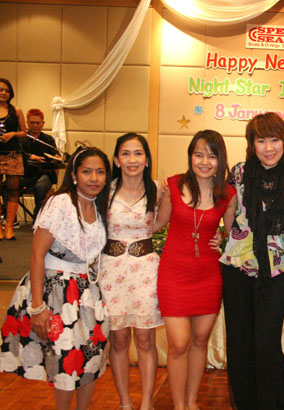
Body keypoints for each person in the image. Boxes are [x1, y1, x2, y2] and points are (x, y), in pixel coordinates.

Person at [0, 146, 111, 410]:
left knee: (90, 358)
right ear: (74, 175)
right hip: (56, 293)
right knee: (65, 362)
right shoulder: (60, 203)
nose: (94, 178)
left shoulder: (99, 206)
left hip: (87, 293)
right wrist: (37, 307)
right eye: (87, 171)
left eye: (100, 172)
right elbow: (37, 254)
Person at [220, 112, 284, 410]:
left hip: (276, 271)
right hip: (237, 269)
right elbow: (229, 212)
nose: (268, 148)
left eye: (274, 139)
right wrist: (229, 240)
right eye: (261, 141)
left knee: (267, 344)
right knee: (240, 343)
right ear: (251, 144)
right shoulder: (239, 173)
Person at [155, 130, 236, 410]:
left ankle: (191, 401)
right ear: (190, 156)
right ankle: (179, 405)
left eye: (211, 156)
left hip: (208, 275)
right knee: (179, 343)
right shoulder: (173, 186)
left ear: (220, 160)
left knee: (200, 340)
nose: (204, 162)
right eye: (198, 155)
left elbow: (232, 234)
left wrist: (221, 238)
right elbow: (157, 224)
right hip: (174, 273)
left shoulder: (228, 195)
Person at [99, 133, 162, 410]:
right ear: (116, 160)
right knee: (119, 339)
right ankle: (125, 402)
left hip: (145, 270)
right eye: (126, 154)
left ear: (147, 159)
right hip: (111, 271)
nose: (132, 160)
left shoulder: (158, 190)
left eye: (138, 153)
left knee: (146, 339)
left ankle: (147, 402)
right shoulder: (105, 190)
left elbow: (164, 222)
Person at [20, 108, 58, 221]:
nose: (35, 125)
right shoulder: (22, 139)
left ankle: (38, 218)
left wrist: (56, 157)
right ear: (27, 123)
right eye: (32, 123)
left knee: (40, 187)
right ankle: (10, 219)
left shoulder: (48, 139)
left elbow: (55, 154)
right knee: (6, 186)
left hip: (44, 174)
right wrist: (30, 156)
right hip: (26, 174)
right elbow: (19, 154)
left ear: (43, 123)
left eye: (38, 123)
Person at [0, 78, 27, 240]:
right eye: (0, 90)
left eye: (6, 90)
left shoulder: (16, 110)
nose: (3, 93)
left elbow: (24, 132)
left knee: (13, 190)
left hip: (13, 154)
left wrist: (13, 134)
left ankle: (9, 226)